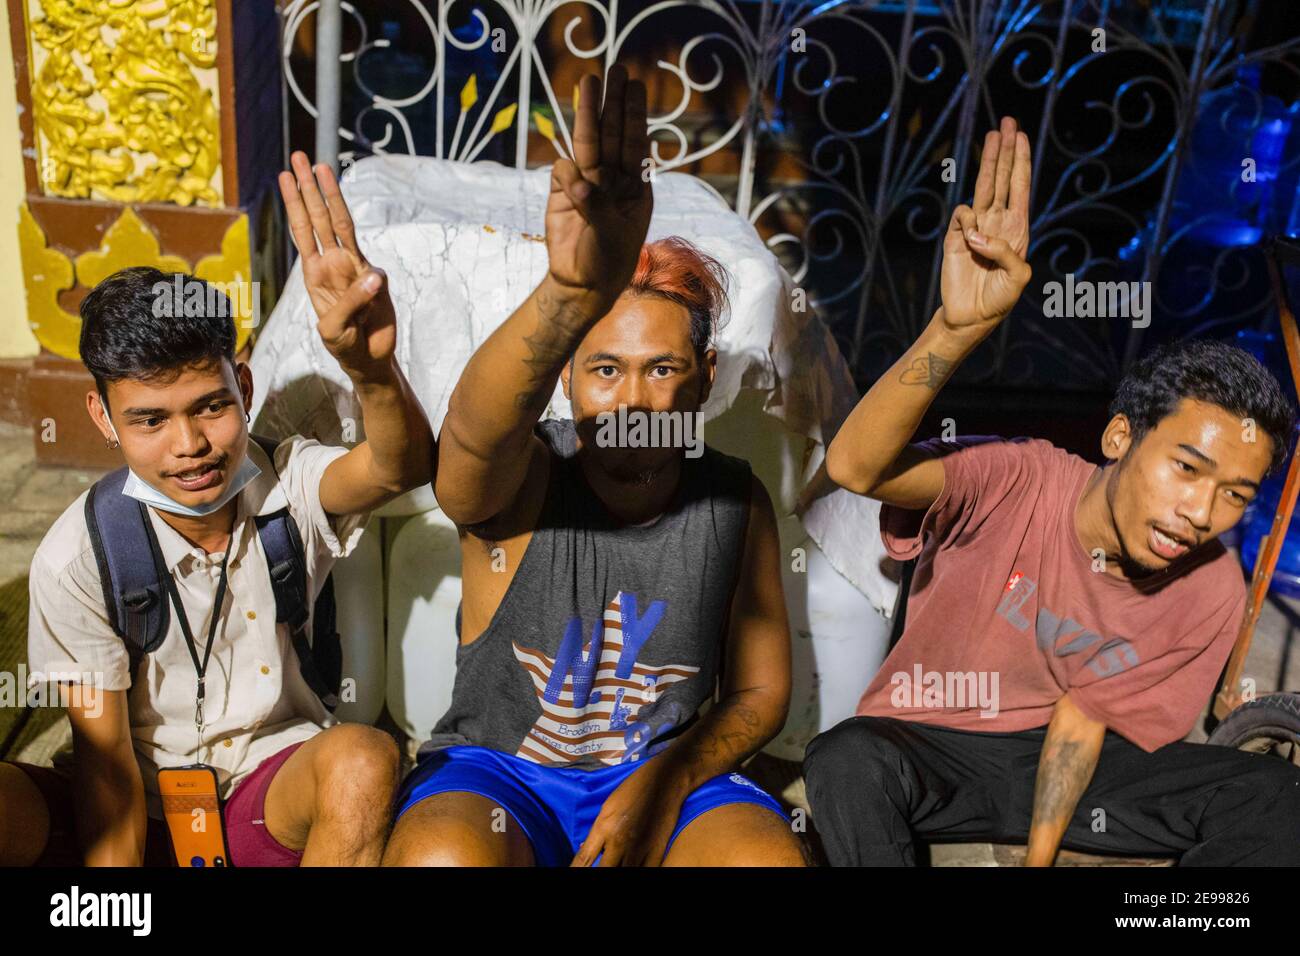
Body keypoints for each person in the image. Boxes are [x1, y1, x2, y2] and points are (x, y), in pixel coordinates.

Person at [800, 116, 1300, 866]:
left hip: (1083, 767)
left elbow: (1083, 716)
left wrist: (1036, 864)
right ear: (1120, 438)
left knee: (1278, 796)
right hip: (935, 744)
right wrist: (955, 330)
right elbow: (856, 468)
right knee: (844, 760)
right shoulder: (1019, 476)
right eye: (1188, 468)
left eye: (1236, 494)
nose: (1202, 513)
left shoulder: (1214, 588)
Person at [381, 64, 806, 867]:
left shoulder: (730, 498)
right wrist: (570, 295)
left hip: (673, 773)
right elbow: (466, 449)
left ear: (706, 380)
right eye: (604, 369)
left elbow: (760, 692)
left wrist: (668, 779)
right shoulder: (529, 468)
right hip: (502, 773)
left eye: (661, 369)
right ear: (568, 377)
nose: (631, 400)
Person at [0, 153, 434, 866]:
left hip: (267, 794)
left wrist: (369, 365)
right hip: (132, 798)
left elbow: (398, 467)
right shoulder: (76, 558)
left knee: (365, 758)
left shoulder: (288, 482)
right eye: (149, 421)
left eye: (210, 407)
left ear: (245, 387)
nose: (191, 446)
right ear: (103, 418)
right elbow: (107, 777)